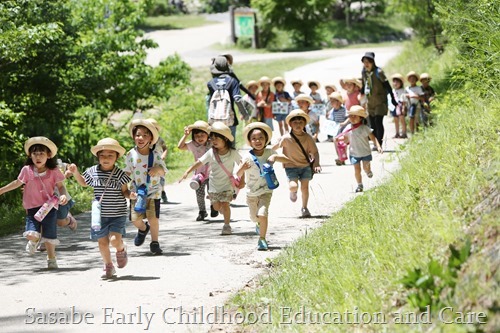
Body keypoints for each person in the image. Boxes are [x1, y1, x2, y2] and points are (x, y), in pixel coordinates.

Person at [68, 138, 132, 279]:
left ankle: (121, 249)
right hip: (99, 215)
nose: (106, 158)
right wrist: (75, 172)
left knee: (115, 241)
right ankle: (108, 265)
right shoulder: (92, 171)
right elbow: (84, 183)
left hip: (117, 213)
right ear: (98, 157)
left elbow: (124, 192)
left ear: (116, 157)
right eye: (102, 155)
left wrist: (130, 195)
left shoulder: (120, 174)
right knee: (102, 242)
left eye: (110, 155)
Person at [0, 137, 67, 269]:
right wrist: (1, 190)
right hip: (32, 208)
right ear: (30, 156)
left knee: (49, 234)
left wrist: (63, 194)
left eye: (41, 153)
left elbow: (61, 186)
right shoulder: (27, 170)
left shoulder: (53, 171)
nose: (38, 156)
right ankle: (35, 241)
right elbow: (17, 183)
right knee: (31, 234)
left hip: (49, 207)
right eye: (35, 153)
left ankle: (51, 259)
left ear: (48, 155)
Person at [180, 122, 242, 235]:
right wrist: (187, 171)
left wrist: (242, 179)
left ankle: (227, 225)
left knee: (226, 204)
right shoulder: (211, 152)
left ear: (225, 139)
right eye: (212, 138)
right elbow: (199, 162)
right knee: (217, 206)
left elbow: (242, 164)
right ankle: (222, 210)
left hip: (227, 184)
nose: (213, 141)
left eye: (216, 138)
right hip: (214, 185)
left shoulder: (232, 153)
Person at [236, 123, 290, 251]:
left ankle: (262, 239)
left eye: (261, 138)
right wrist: (242, 168)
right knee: (254, 217)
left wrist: (275, 156)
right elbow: (237, 174)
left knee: (263, 214)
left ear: (266, 140)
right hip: (251, 193)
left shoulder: (270, 152)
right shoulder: (247, 157)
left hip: (266, 190)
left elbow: (286, 159)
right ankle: (258, 223)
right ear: (249, 142)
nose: (258, 141)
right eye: (254, 138)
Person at [124, 119, 167, 255]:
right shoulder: (130, 154)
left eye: (145, 135)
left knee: (153, 218)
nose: (140, 138)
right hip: (136, 192)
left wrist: (157, 169)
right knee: (135, 219)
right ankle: (143, 229)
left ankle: (155, 242)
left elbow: (163, 171)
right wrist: (123, 189)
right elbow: (126, 172)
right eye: (137, 135)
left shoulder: (155, 155)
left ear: (151, 139)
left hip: (153, 191)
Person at [278, 110, 321, 218]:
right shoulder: (286, 138)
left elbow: (315, 152)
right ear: (290, 124)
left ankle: (304, 208)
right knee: (293, 186)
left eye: (301, 122)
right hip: (291, 166)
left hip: (305, 166)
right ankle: (293, 192)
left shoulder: (307, 138)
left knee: (305, 188)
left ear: (305, 124)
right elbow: (277, 147)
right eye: (295, 123)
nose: (298, 125)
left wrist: (316, 163)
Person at [336, 105, 382, 193]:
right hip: (354, 153)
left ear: (360, 118)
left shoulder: (364, 128)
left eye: (355, 116)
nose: (352, 118)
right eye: (350, 116)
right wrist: (339, 139)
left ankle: (368, 171)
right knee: (357, 169)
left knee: (365, 167)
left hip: (365, 152)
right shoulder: (348, 128)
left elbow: (373, 137)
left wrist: (378, 146)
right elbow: (346, 139)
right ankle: (359, 185)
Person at [359, 52, 398, 148]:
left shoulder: (379, 72)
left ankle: (379, 143)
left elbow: (387, 86)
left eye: (368, 62)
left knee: (378, 121)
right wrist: (361, 94)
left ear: (372, 62)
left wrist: (392, 98)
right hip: (370, 101)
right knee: (372, 124)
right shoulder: (364, 72)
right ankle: (376, 142)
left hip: (380, 101)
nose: (366, 64)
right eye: (364, 62)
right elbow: (364, 85)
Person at [177, 120, 213, 221]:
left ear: (208, 135)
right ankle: (202, 211)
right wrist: (185, 135)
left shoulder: (211, 144)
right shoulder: (193, 145)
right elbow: (180, 146)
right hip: (199, 174)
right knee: (199, 195)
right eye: (197, 135)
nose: (200, 138)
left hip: (212, 174)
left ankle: (214, 206)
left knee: (212, 192)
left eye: (202, 135)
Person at [207, 55, 245, 143]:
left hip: (215, 121)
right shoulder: (233, 81)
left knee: (217, 146)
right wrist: (245, 114)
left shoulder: (210, 83)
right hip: (230, 119)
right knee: (231, 146)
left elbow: (210, 103)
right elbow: (237, 99)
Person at [146, 118, 169, 204]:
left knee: (161, 179)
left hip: (159, 162)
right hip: (148, 162)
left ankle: (162, 192)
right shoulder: (144, 139)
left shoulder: (160, 140)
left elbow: (165, 148)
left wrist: (163, 155)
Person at [326, 92, 350, 165]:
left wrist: (344, 123)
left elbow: (349, 118)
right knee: (336, 143)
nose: (332, 103)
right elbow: (330, 119)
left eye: (334, 101)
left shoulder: (344, 110)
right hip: (336, 130)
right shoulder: (332, 111)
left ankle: (342, 157)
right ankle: (339, 157)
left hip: (343, 130)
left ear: (339, 102)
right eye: (331, 101)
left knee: (342, 144)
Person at [390, 73, 409, 139]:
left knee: (402, 119)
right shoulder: (393, 91)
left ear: (401, 83)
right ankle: (397, 133)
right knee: (395, 119)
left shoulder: (403, 90)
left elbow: (404, 99)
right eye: (394, 82)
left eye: (397, 82)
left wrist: (404, 107)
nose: (395, 83)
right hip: (394, 106)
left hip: (400, 105)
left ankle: (404, 133)